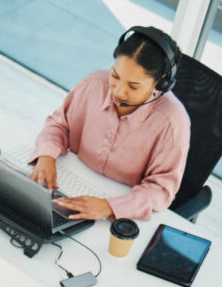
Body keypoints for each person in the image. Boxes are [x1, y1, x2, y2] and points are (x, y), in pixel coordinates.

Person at [28, 26, 190, 222]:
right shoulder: (94, 83)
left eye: (133, 86)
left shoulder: (172, 122)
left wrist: (109, 206)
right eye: (115, 76)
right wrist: (46, 155)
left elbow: (161, 190)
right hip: (71, 179)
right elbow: (59, 124)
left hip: (120, 205)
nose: (119, 92)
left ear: (161, 83)